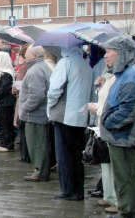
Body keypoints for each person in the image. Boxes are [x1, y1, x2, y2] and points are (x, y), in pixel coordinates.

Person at [99, 35, 135, 217]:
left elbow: (129, 109)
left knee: (126, 177)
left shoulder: (130, 76)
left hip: (123, 136)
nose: (105, 56)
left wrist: (108, 122)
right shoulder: (126, 74)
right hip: (119, 135)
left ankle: (128, 210)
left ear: (120, 53)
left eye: (108, 52)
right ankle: (127, 208)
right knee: (124, 177)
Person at [47, 46, 92, 200]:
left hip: (65, 115)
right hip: (81, 115)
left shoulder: (65, 63)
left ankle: (67, 189)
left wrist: (50, 106)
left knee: (64, 155)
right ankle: (78, 190)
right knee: (77, 155)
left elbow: (54, 89)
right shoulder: (86, 64)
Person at [87, 59, 118, 214]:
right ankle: (108, 194)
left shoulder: (118, 80)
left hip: (109, 125)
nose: (105, 58)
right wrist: (99, 86)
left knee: (112, 164)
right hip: (101, 126)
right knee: (105, 162)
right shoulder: (108, 77)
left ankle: (116, 198)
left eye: (108, 53)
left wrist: (96, 108)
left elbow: (110, 105)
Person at [19, 46, 53, 181]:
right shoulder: (42, 67)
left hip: (35, 115)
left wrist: (24, 108)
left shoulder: (35, 70)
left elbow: (37, 95)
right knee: (40, 143)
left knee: (37, 144)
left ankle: (40, 171)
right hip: (40, 114)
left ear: (32, 56)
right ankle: (40, 169)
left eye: (26, 54)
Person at [0, 51, 16, 152]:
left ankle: (7, 144)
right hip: (0, 102)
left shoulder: (6, 74)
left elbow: (3, 89)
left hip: (5, 103)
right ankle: (4, 142)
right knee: (1, 122)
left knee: (5, 123)